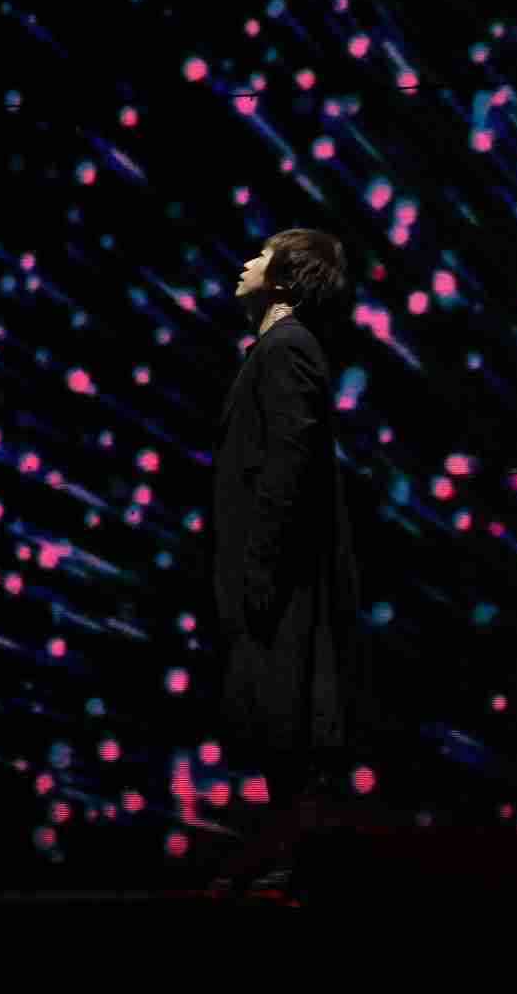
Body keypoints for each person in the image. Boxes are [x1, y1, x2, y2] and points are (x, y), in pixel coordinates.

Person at [209, 228, 366, 890]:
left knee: (287, 724)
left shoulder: (287, 350)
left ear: (282, 276)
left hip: (279, 582)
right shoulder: (279, 350)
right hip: (272, 577)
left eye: (261, 254)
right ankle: (285, 863)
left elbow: (288, 465)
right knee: (279, 727)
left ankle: (292, 867)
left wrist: (260, 573)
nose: (246, 261)